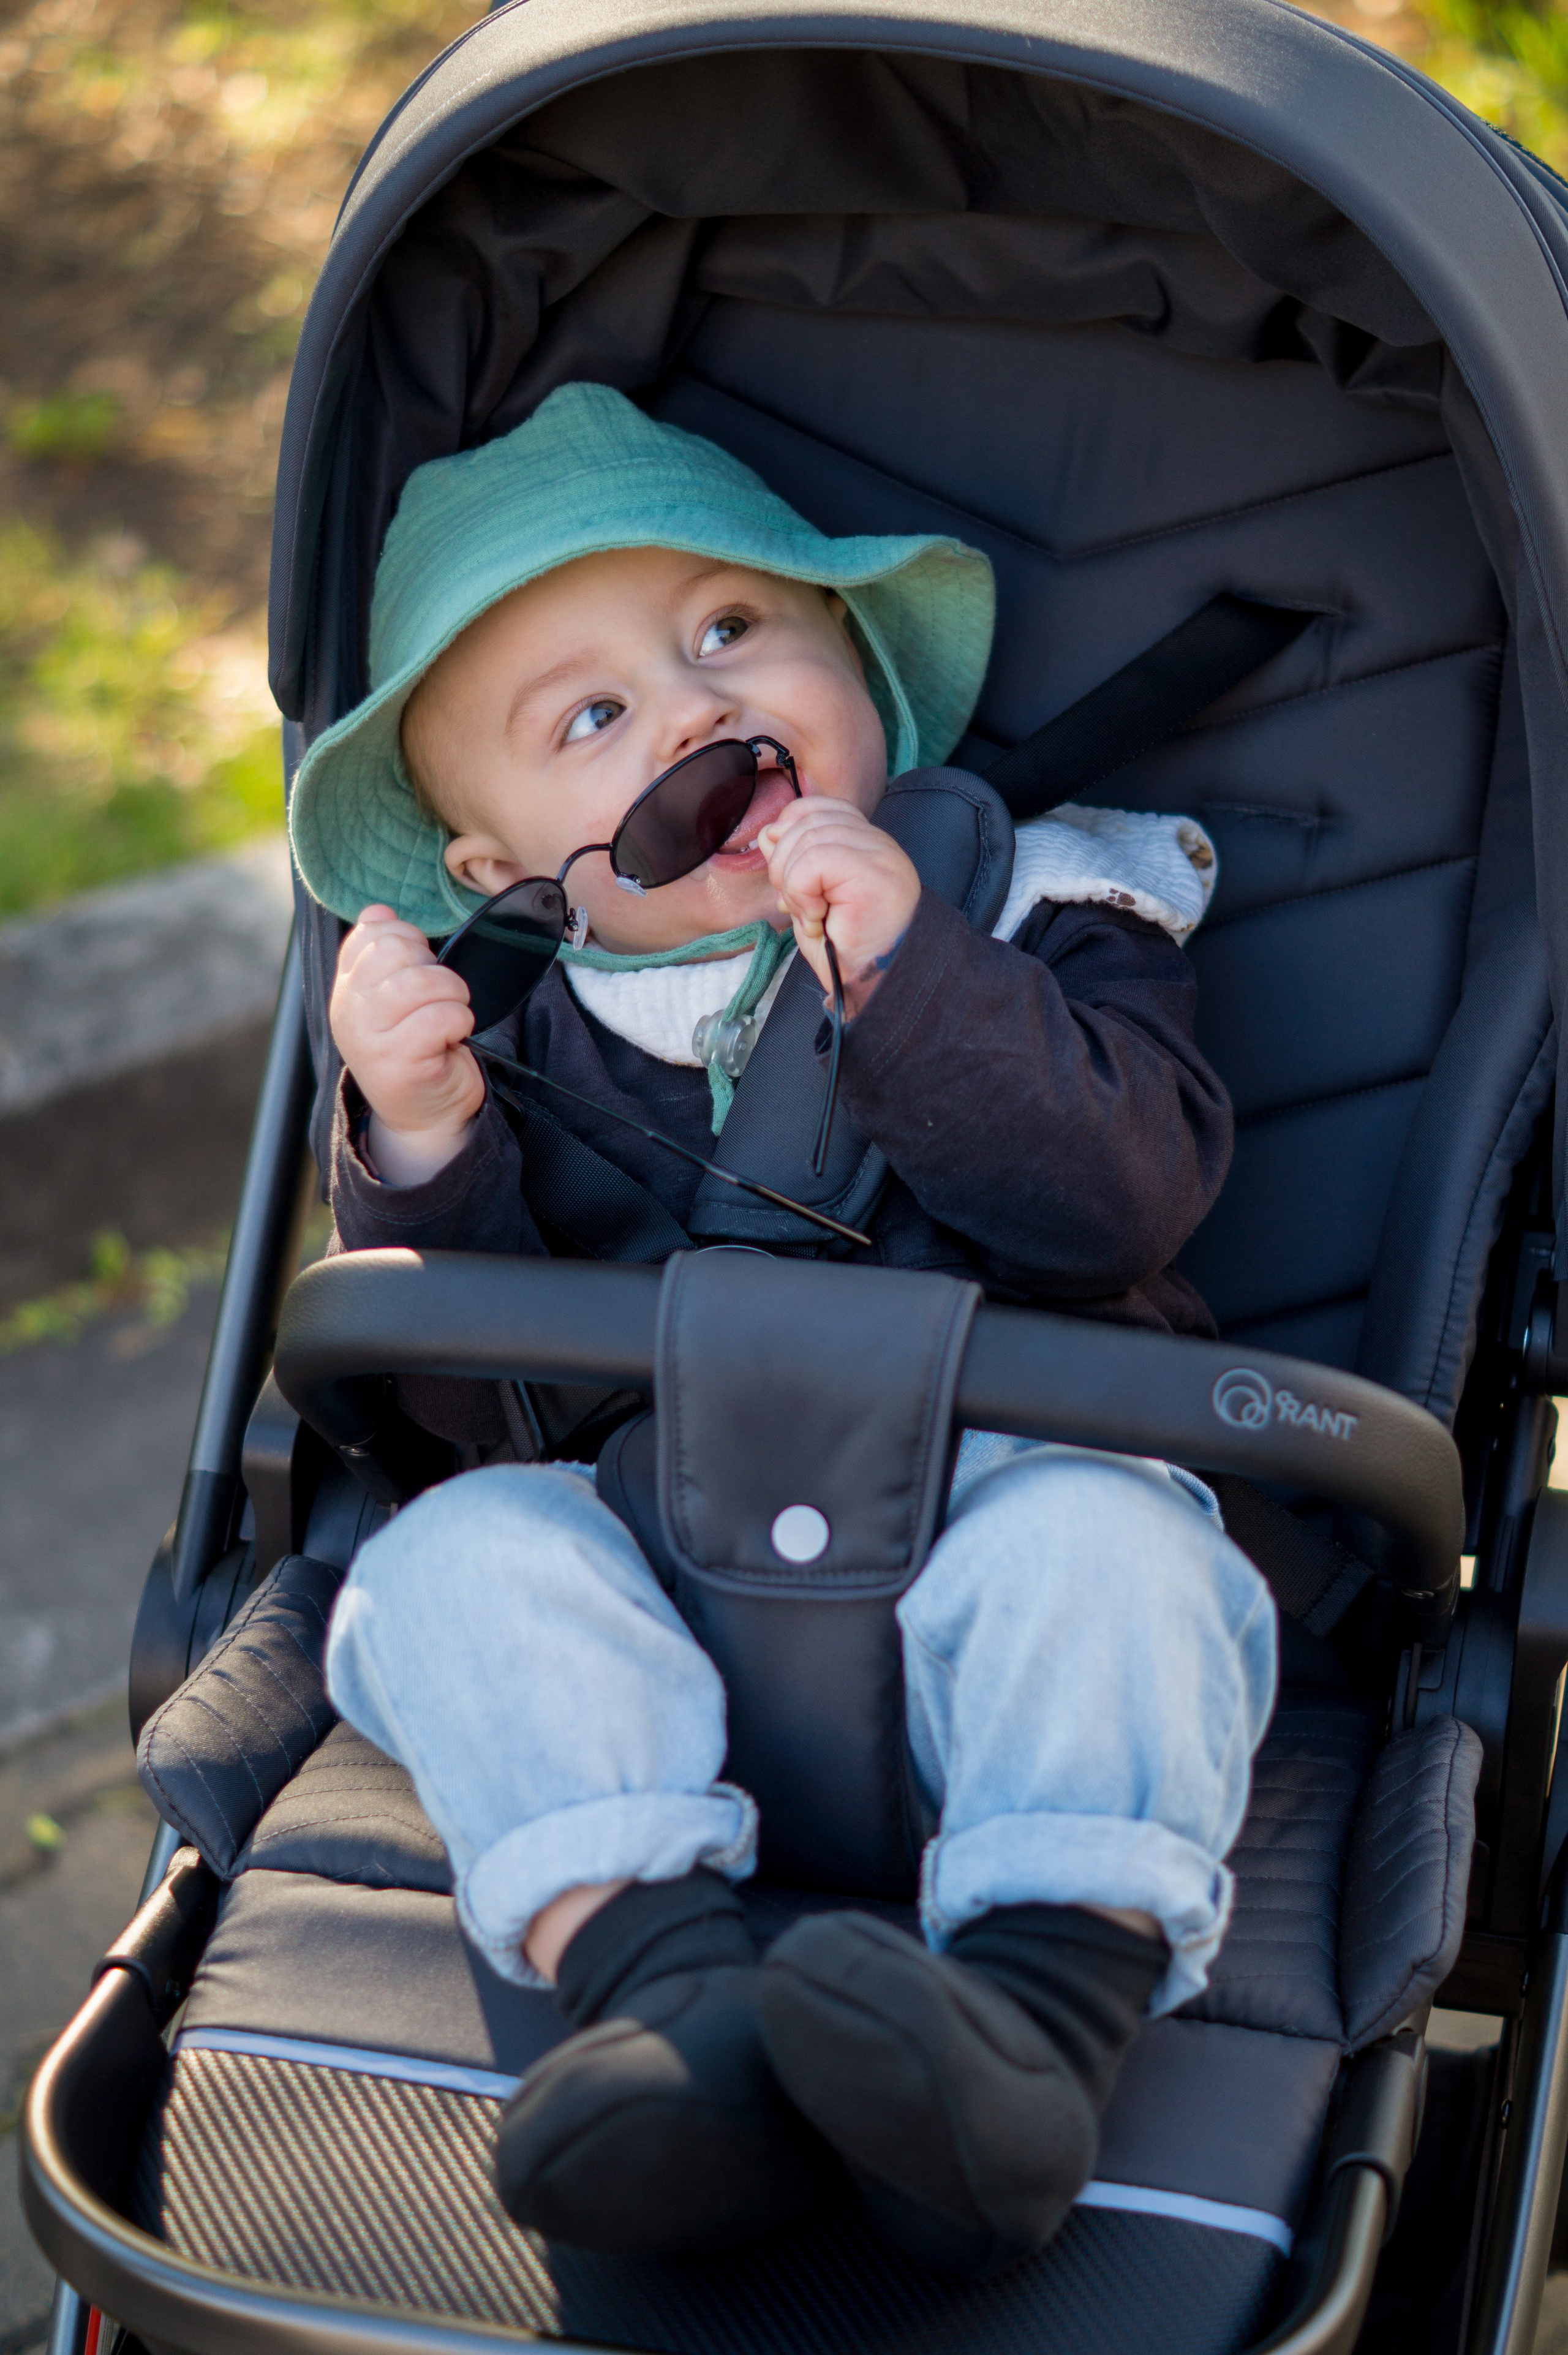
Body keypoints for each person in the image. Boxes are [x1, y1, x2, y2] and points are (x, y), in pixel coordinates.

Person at [288, 382, 1276, 2274]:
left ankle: (1027, 2032)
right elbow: (477, 1411)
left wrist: (919, 981)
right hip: (665, 1612)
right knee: (448, 1563)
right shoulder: (516, 1052)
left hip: (1002, 1534)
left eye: (733, 632)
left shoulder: (1049, 895)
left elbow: (1118, 1204)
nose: (693, 713)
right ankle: (673, 2004)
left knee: (1119, 1556)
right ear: (505, 875)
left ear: (860, 677)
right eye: (594, 721)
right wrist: (417, 1144)